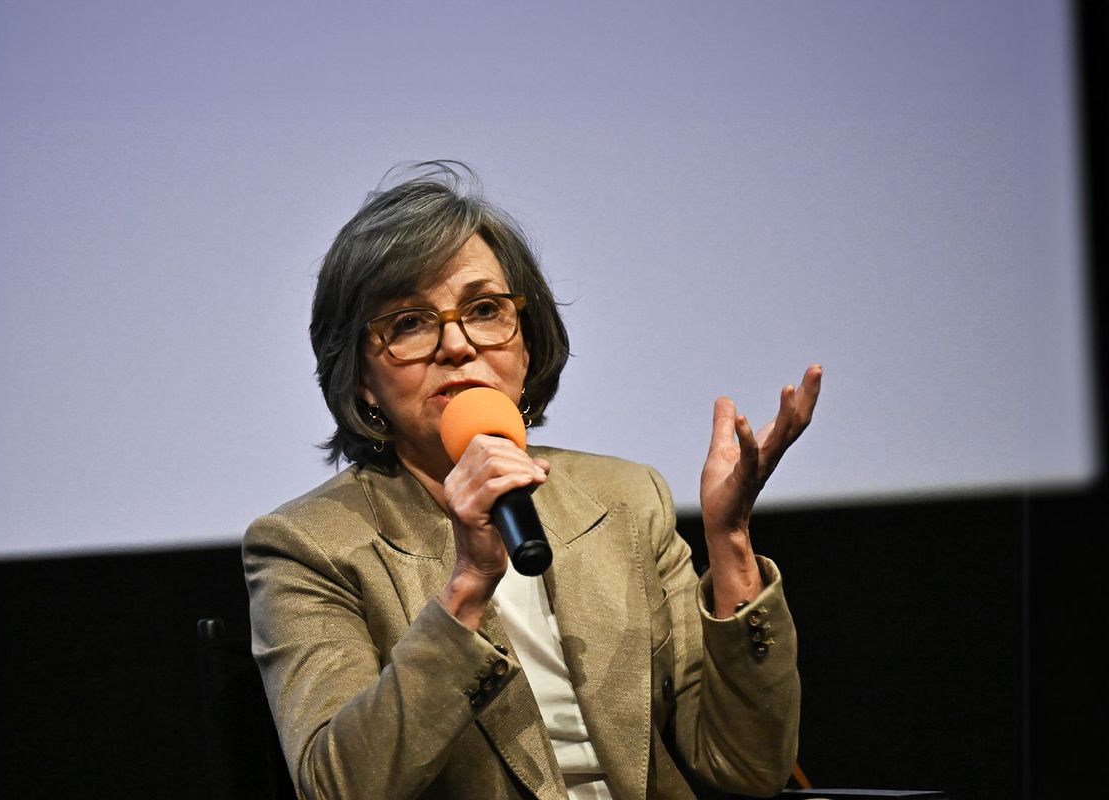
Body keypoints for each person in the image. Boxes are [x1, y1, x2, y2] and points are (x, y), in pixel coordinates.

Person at [243, 161, 822, 800]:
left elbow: (746, 769)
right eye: (408, 323)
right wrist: (467, 588)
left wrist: (730, 538)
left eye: (485, 309)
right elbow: (336, 788)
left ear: (527, 341)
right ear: (360, 380)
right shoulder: (307, 545)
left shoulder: (626, 499)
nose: (456, 345)